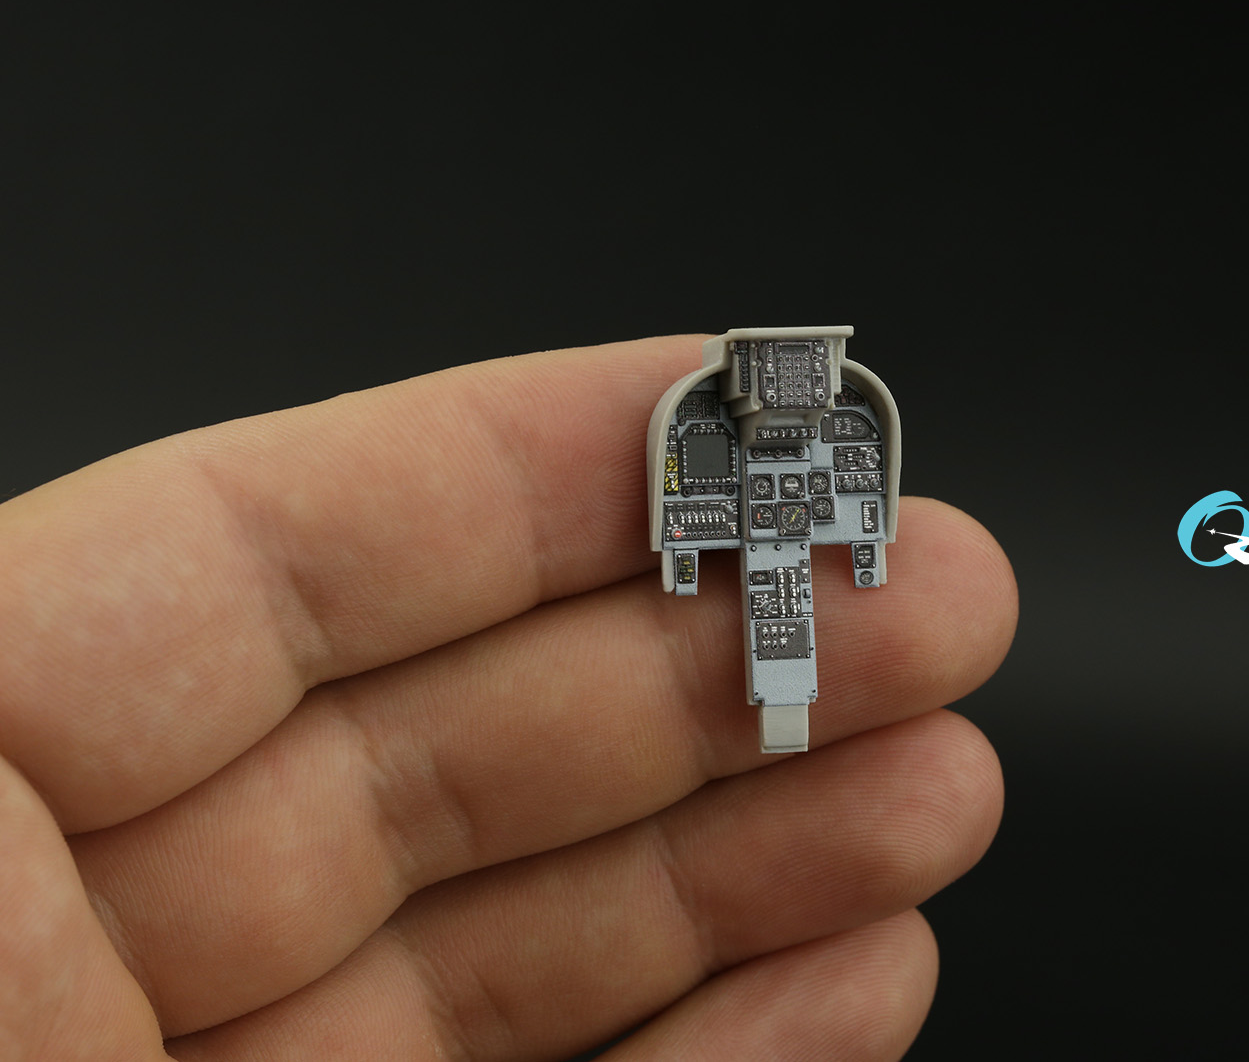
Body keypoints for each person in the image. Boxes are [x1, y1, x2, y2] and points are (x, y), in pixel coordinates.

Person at [0, 334, 1016, 1061]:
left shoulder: (817, 437)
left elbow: (832, 497)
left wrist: (855, 545)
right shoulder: (712, 434)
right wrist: (688, 552)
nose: (785, 417)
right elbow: (700, 494)